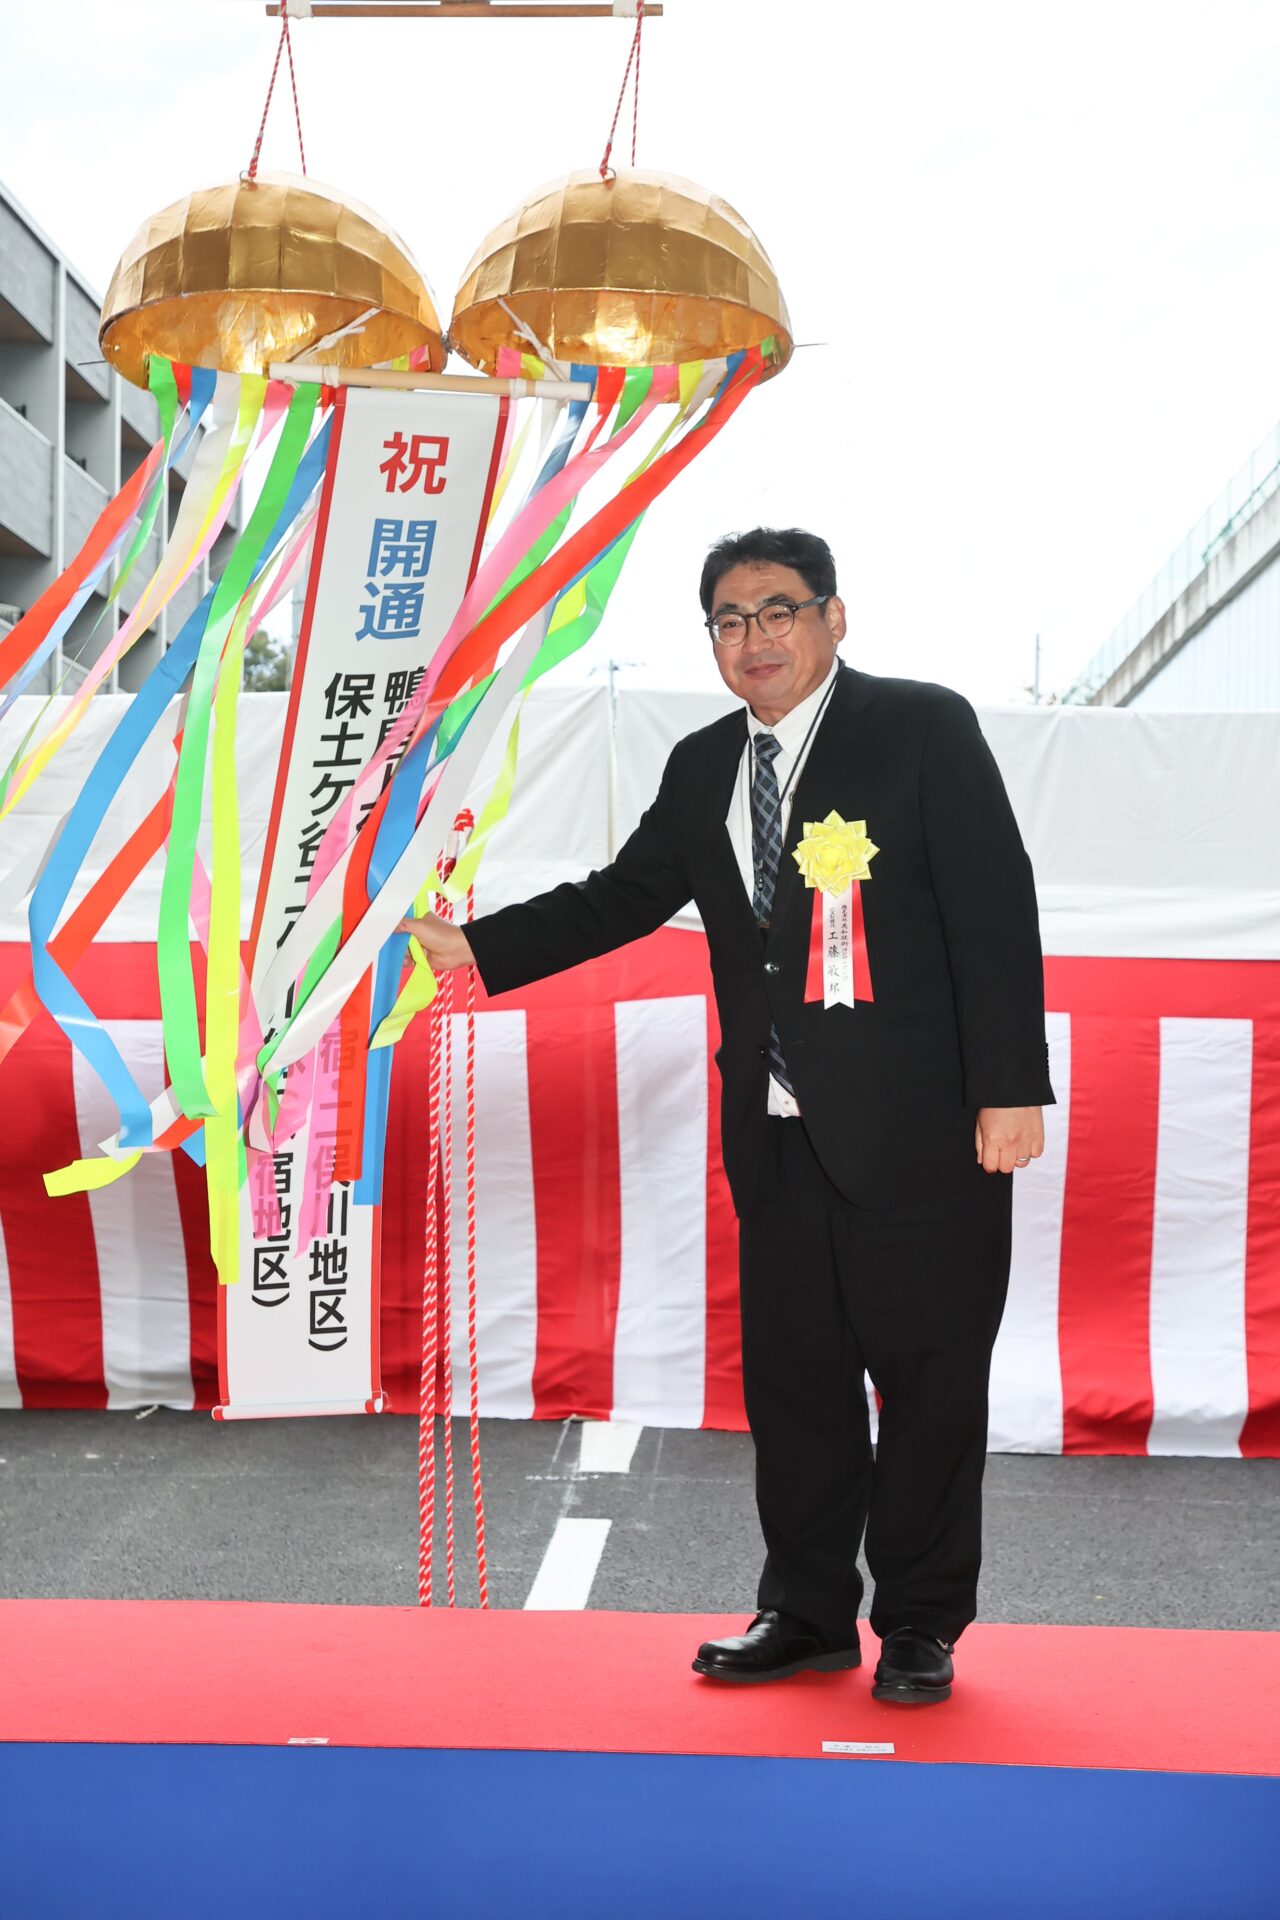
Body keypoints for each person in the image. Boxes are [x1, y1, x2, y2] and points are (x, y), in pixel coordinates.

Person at [403, 527, 1053, 1704]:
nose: (753, 637)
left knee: (929, 1383)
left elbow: (992, 908)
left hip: (924, 1131)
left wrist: (1010, 1086)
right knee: (795, 1387)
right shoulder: (703, 764)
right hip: (774, 1131)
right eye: (728, 619)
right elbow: (622, 895)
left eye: (777, 610)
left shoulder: (920, 728)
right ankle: (803, 1612)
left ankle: (918, 1622)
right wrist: (475, 948)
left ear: (832, 618)